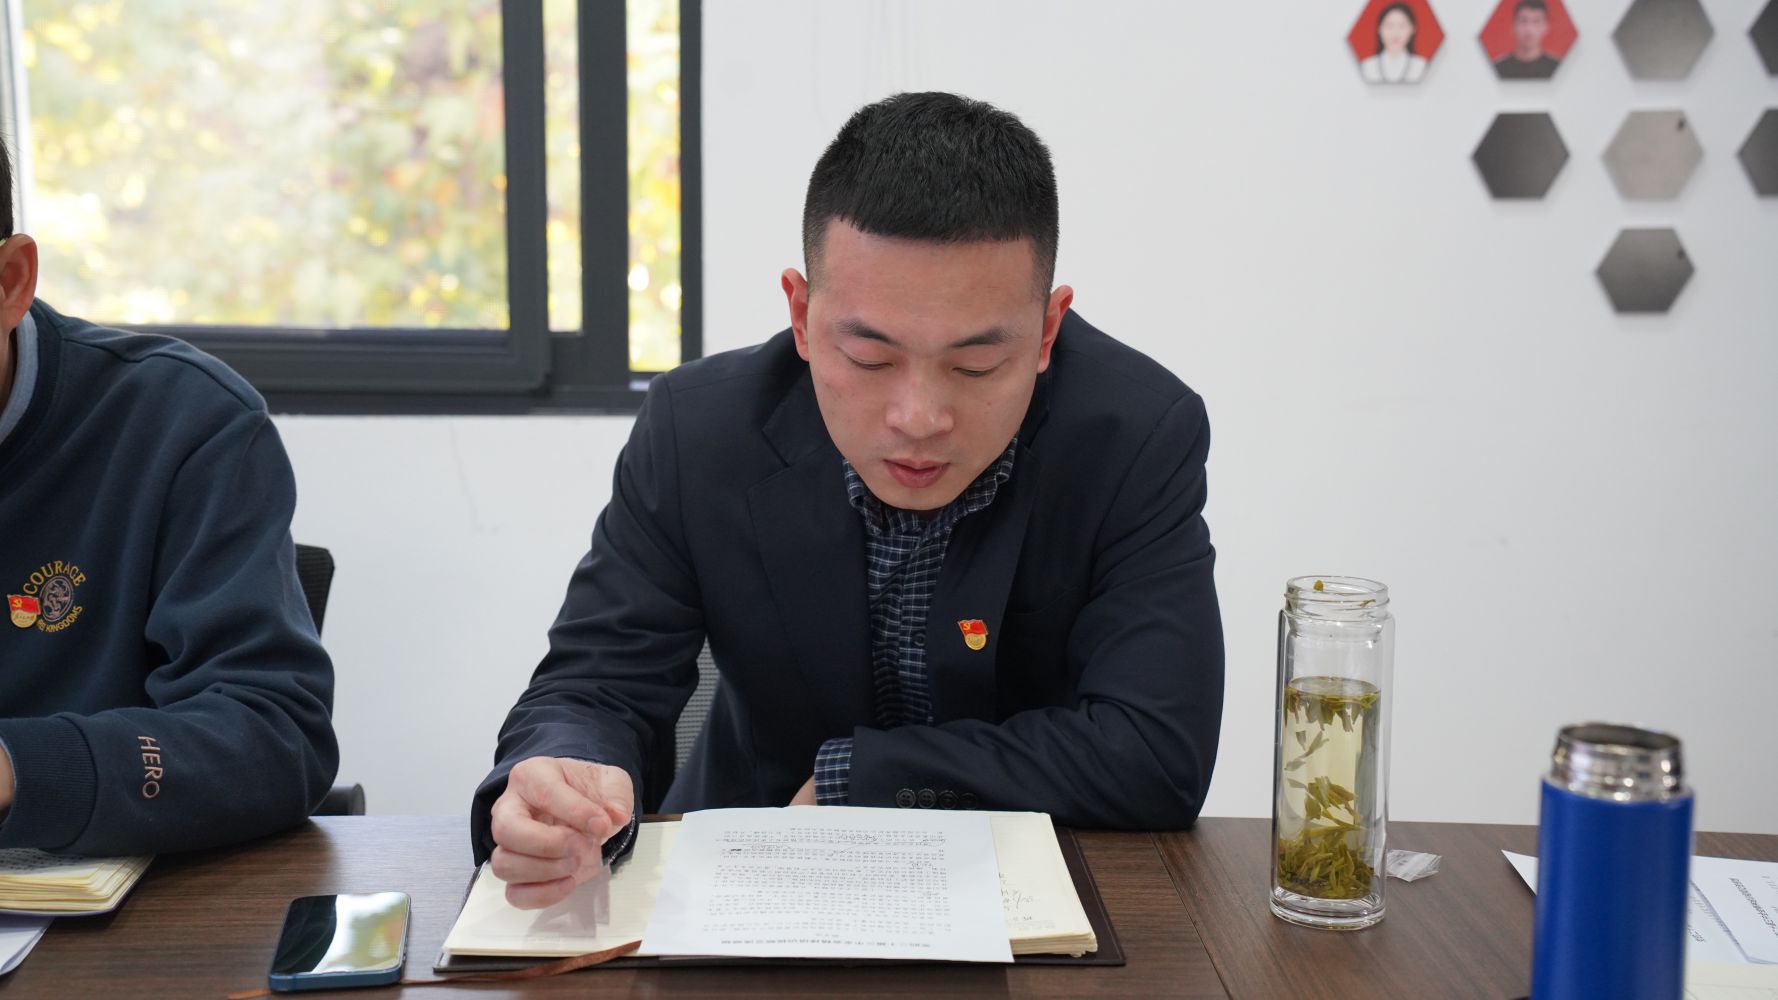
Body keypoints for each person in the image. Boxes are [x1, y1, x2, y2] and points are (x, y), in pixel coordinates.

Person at [474, 92, 1224, 909]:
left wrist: (863, 777)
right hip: (745, 874)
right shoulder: (700, 429)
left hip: (1031, 896)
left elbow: (1154, 753)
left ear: (1047, 332)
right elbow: (597, 683)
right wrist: (565, 771)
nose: (919, 418)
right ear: (802, 315)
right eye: (871, 358)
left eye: (975, 365)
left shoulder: (1135, 437)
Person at [0, 135, 338, 856]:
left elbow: (275, 737)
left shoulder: (183, 425)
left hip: (98, 914)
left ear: (11, 281)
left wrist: (18, 768)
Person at [1360, 3, 1430, 84]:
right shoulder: (1367, 66)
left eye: (1402, 26)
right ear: (1379, 29)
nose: (1395, 33)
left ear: (1412, 29)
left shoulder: (1421, 66)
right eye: (1389, 26)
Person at [1493, 0, 1561, 79]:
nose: (1529, 30)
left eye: (1537, 22)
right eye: (1523, 21)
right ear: (1513, 26)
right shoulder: (1497, 68)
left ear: (1546, 27)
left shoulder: (1558, 68)